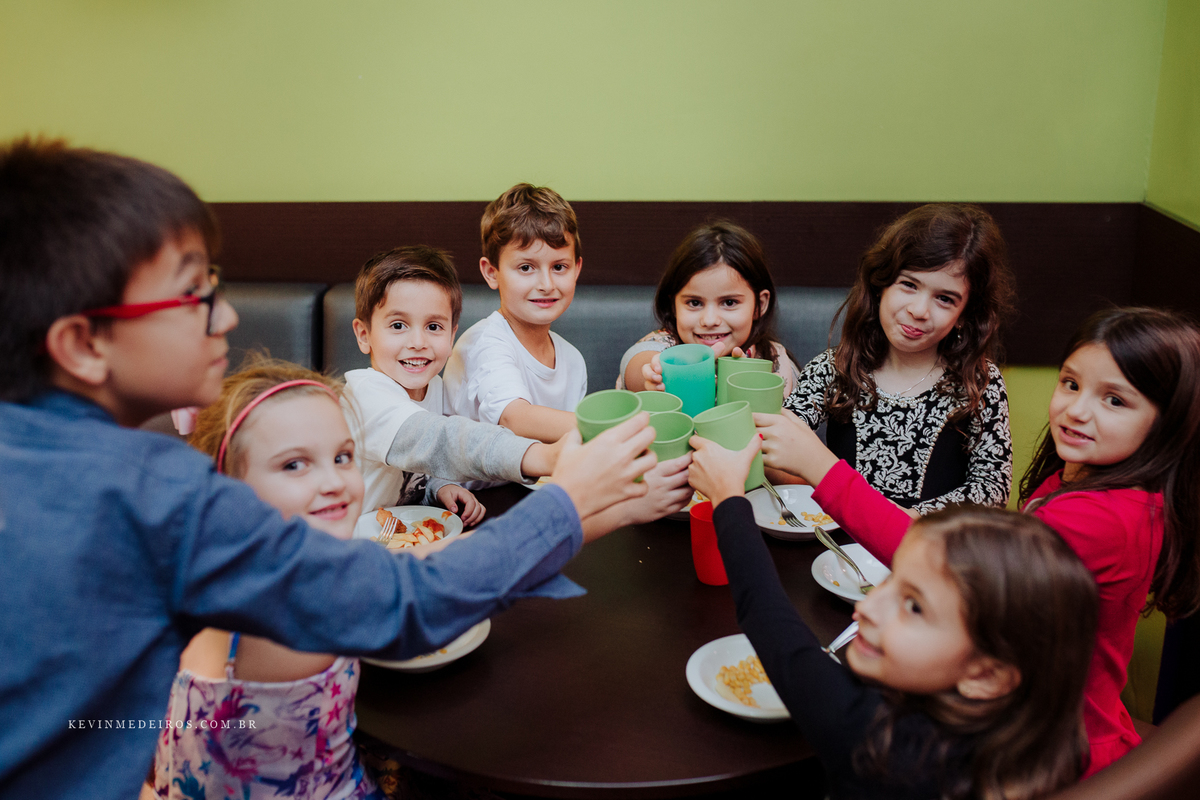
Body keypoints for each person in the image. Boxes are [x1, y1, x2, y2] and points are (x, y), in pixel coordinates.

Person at [0, 137, 662, 798]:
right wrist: (566, 493)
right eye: (194, 294)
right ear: (83, 344)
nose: (226, 313)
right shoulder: (155, 493)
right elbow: (408, 600)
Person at [759, 306, 1200, 776]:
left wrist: (821, 467)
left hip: (1051, 749)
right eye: (1071, 383)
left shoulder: (1102, 518)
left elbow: (959, 575)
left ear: (1166, 422)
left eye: (1115, 400)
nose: (1077, 410)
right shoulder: (1088, 480)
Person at [687, 434, 1098, 800]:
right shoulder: (1028, 741)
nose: (865, 607)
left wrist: (727, 497)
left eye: (914, 606)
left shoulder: (876, 742)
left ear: (986, 675)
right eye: (893, 582)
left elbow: (768, 618)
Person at [153, 360, 389, 798]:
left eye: (343, 457)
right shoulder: (307, 597)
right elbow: (425, 585)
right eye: (296, 465)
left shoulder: (201, 571)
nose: (335, 481)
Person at [783, 203, 1015, 513]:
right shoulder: (835, 369)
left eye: (945, 299)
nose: (919, 311)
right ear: (881, 284)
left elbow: (991, 489)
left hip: (931, 553)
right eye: (908, 284)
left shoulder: (979, 383)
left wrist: (899, 522)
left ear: (964, 315)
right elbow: (782, 431)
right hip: (840, 555)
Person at [443, 183, 587, 444]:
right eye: (525, 267)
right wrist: (609, 425)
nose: (546, 284)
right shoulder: (484, 343)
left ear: (576, 269)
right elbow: (515, 419)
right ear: (491, 272)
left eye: (559, 266)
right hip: (474, 486)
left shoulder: (573, 360)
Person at [619, 219, 802, 395]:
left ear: (759, 306)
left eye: (729, 303)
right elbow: (636, 364)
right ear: (673, 305)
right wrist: (658, 374)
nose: (709, 320)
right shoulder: (664, 344)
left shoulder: (774, 361)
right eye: (694, 303)